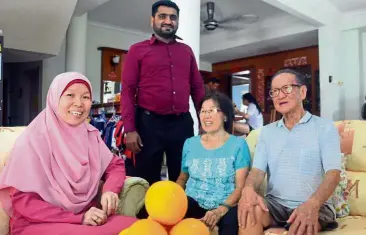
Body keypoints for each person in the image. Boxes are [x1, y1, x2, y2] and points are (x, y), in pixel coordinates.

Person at [0, 72, 136, 235]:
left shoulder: (90, 136)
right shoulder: (32, 141)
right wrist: (77, 218)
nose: (79, 103)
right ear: (55, 98)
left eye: (85, 97)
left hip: (88, 217)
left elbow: (115, 165)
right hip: (40, 222)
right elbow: (24, 203)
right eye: (70, 95)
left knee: (138, 227)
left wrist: (110, 189)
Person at [238, 68, 341, 235]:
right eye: (275, 91)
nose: (280, 95)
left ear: (302, 92)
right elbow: (257, 172)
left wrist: (312, 204)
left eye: (286, 88)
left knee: (300, 227)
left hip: (315, 204)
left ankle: (284, 229)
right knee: (249, 211)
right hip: (275, 205)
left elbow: (333, 174)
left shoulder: (325, 127)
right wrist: (248, 190)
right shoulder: (267, 132)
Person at [121, 0, 205, 185]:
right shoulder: (137, 50)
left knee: (185, 176)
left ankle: (184, 213)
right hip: (148, 125)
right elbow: (127, 91)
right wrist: (130, 129)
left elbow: (197, 88)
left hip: (181, 123)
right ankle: (147, 214)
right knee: (146, 178)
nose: (168, 21)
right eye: (162, 16)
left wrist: (204, 119)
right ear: (152, 20)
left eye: (173, 17)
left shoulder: (186, 51)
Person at [176, 92, 251, 235]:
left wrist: (220, 210)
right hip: (193, 201)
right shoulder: (190, 143)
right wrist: (173, 195)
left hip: (226, 205)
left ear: (225, 116)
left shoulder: (238, 145)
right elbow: (182, 178)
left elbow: (240, 186)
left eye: (212, 110)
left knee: (231, 221)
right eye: (203, 111)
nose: (206, 115)